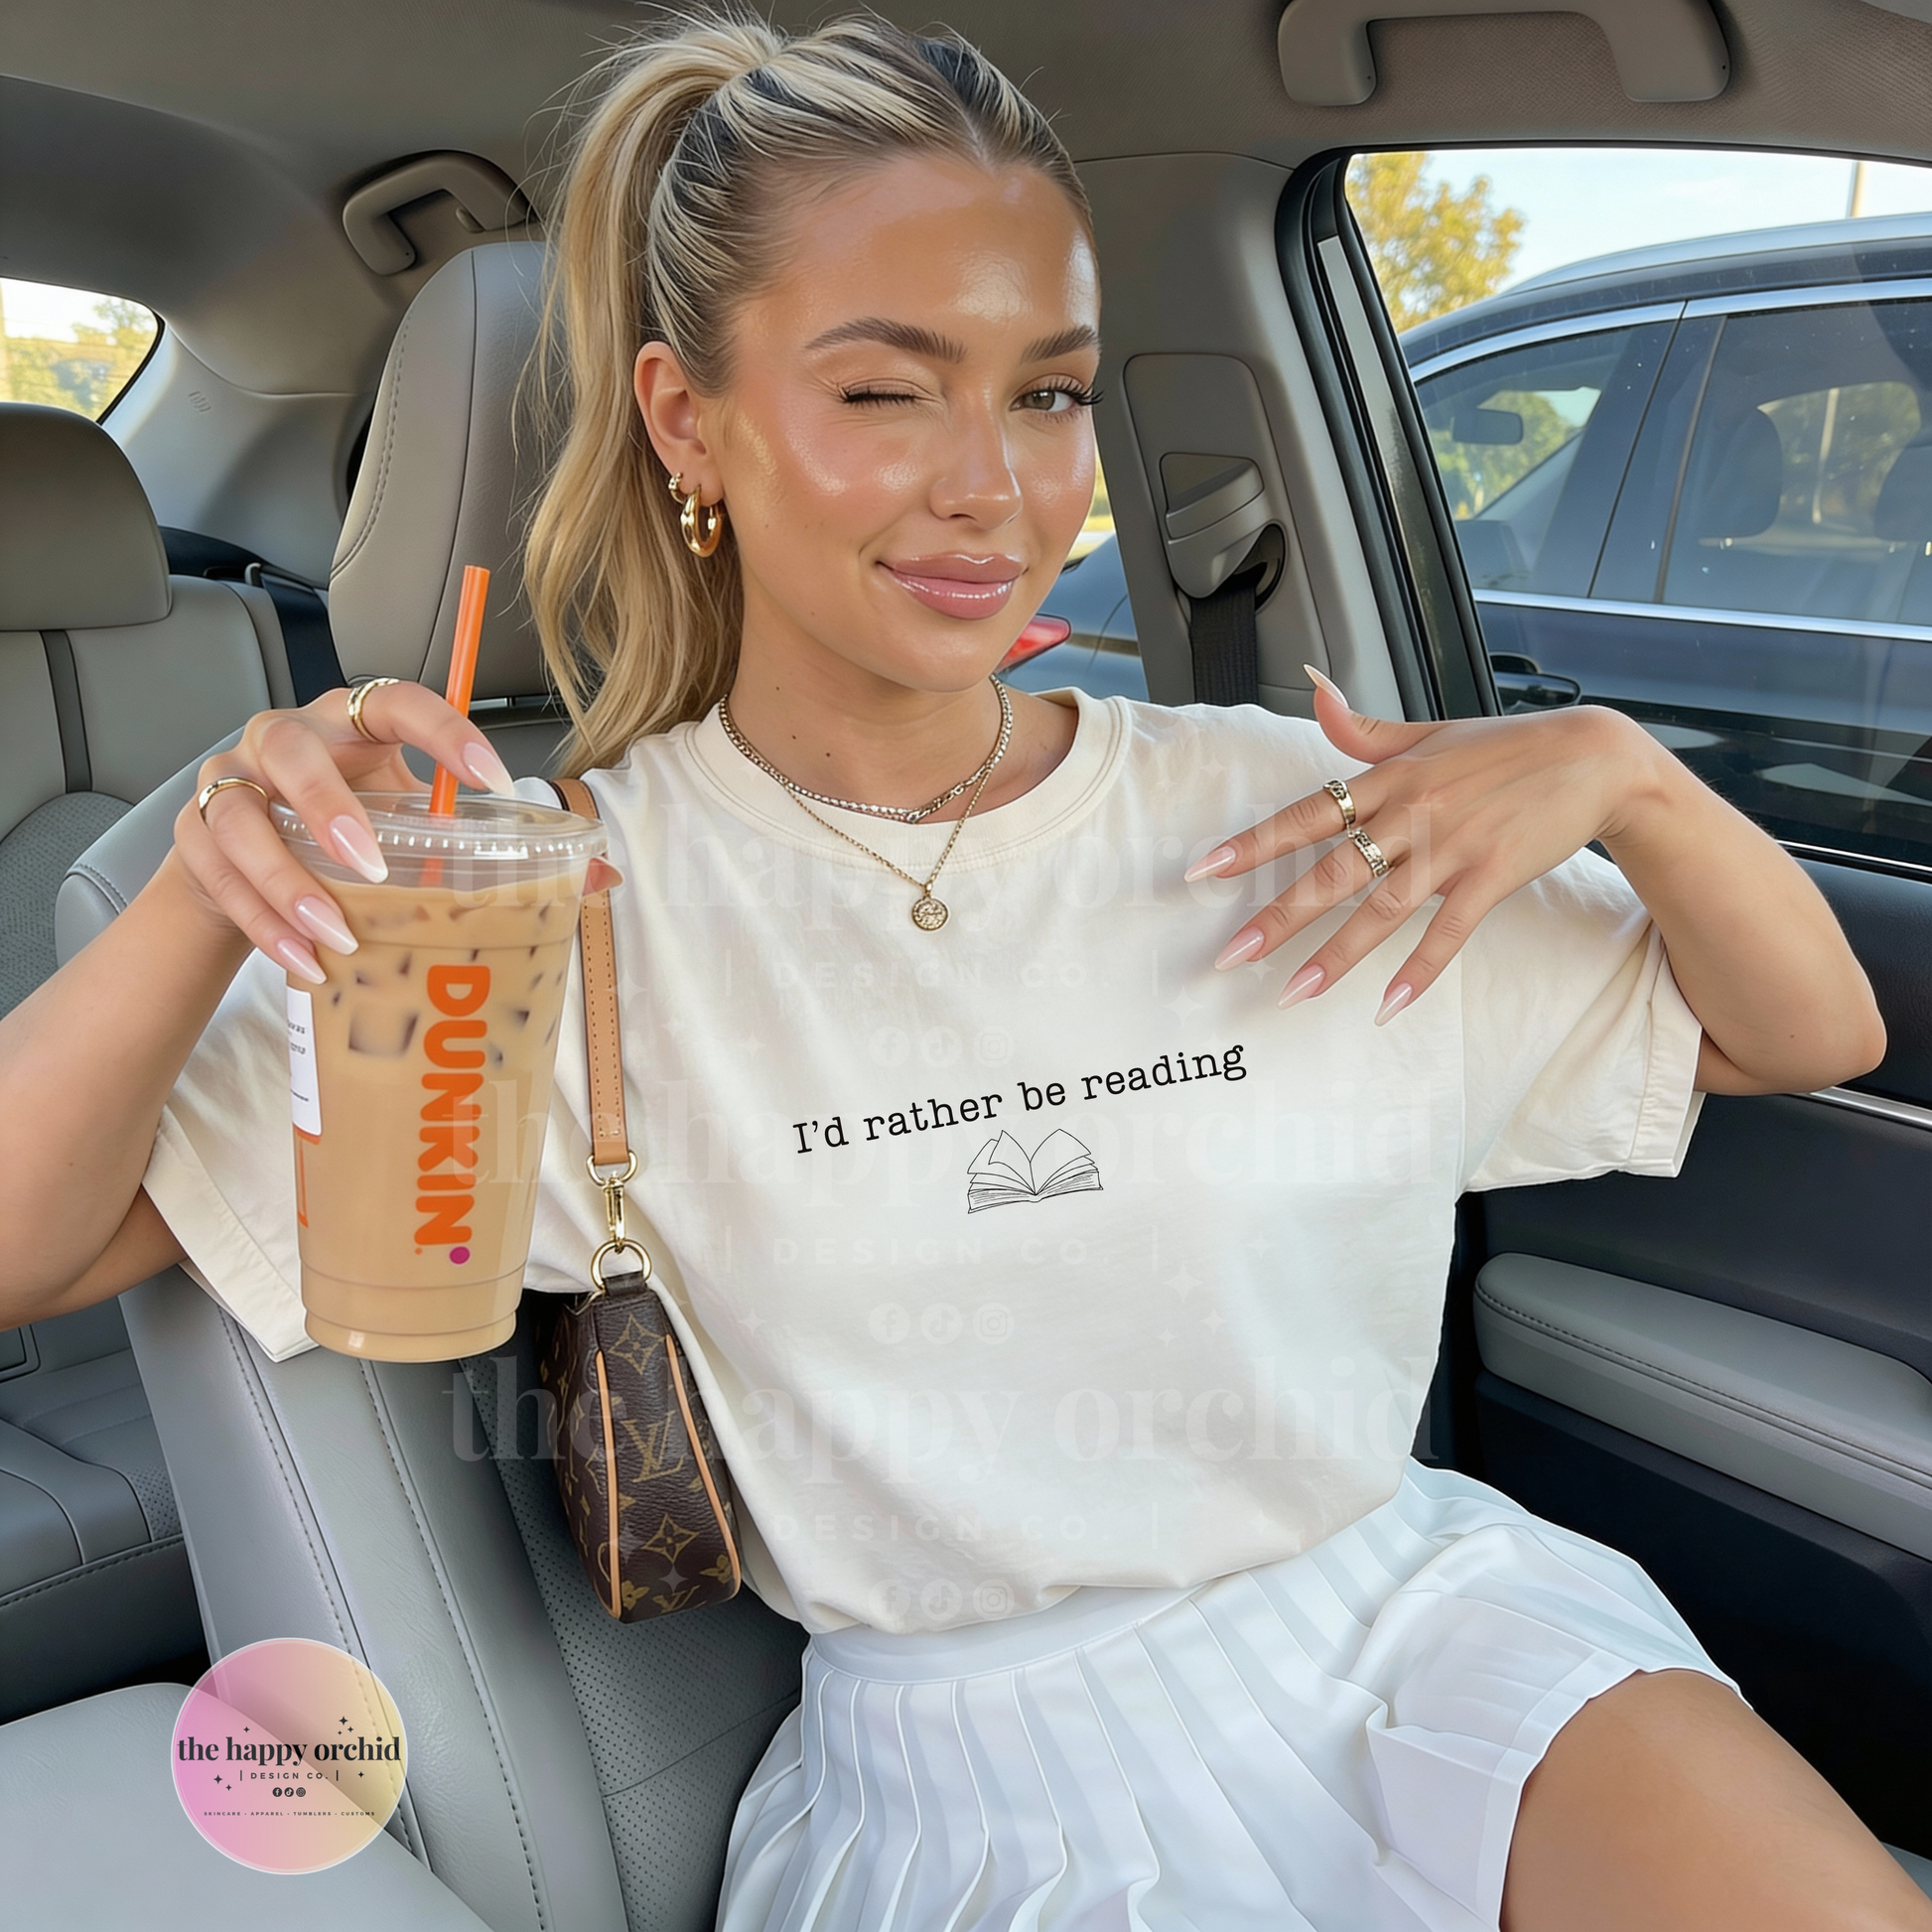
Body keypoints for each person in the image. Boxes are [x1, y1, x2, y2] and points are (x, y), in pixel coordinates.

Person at [0, 13, 1919, 1931]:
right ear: (688, 420)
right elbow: (33, 1248)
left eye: (1048, 392)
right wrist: (197, 889)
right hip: (980, 1790)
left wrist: (1624, 774)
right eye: (884, 392)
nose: (993, 487)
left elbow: (1805, 1030)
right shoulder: (537, 904)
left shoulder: (1280, 801)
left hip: (1425, 1624)